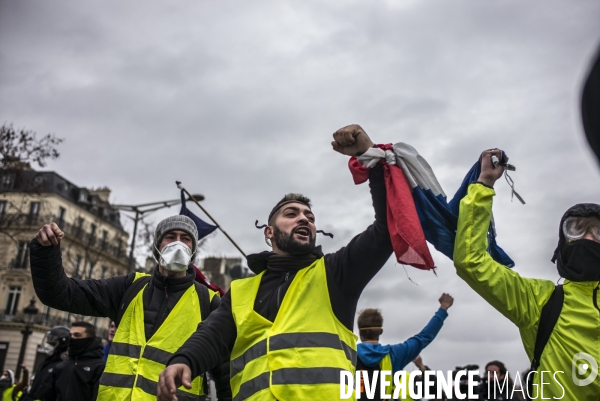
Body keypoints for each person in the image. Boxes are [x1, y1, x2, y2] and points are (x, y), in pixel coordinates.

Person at [157, 124, 394, 401]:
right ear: (269, 232)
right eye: (291, 214)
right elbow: (211, 337)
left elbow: (388, 227)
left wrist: (371, 158)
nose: (304, 219)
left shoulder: (335, 273)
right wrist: (183, 360)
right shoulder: (241, 293)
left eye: (310, 217)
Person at [29, 215, 231, 400]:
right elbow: (62, 294)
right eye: (171, 237)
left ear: (193, 252)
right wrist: (45, 252)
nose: (178, 243)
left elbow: (226, 376)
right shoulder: (130, 287)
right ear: (157, 247)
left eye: (186, 239)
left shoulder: (210, 303)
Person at [453, 148, 600, 399]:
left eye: (598, 232)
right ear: (562, 245)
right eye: (575, 230)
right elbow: (471, 260)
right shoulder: (540, 301)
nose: (587, 238)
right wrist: (484, 184)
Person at [356, 293, 453, 400]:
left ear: (360, 332)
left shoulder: (347, 353)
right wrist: (443, 309)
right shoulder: (395, 354)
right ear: (380, 331)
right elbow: (424, 337)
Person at [39, 321, 105, 400]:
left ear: (89, 338)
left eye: (77, 335)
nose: (72, 338)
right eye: (70, 335)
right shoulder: (61, 366)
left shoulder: (99, 367)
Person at [19, 326, 69, 401]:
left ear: (62, 344)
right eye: (48, 339)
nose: (47, 343)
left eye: (52, 341)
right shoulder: (46, 363)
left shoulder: (62, 366)